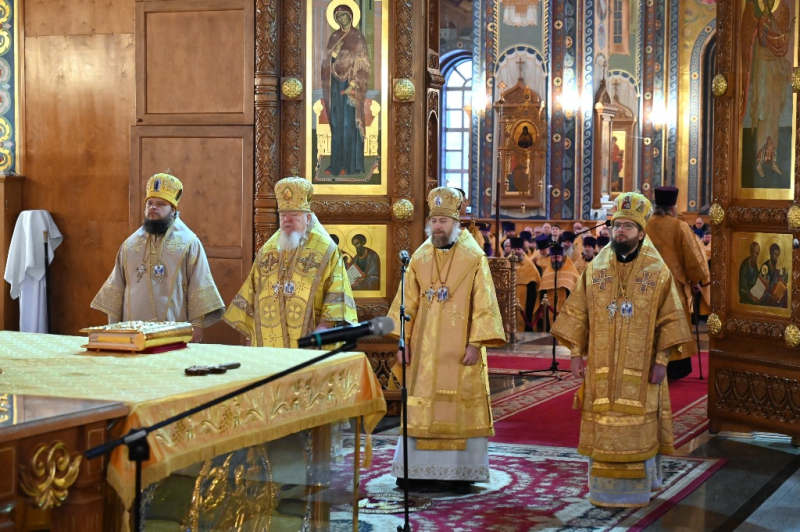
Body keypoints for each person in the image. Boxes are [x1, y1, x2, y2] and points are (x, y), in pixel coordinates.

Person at [552, 191, 692, 508]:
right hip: (602, 369)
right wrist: (576, 353)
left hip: (642, 370)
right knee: (603, 425)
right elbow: (580, 313)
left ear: (641, 233)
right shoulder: (596, 268)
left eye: (628, 227)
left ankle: (640, 489)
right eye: (617, 226)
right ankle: (602, 491)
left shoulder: (658, 272)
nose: (620, 232)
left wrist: (661, 361)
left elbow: (669, 320)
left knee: (641, 426)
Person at [389, 186, 506, 494]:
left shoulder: (473, 258)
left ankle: (457, 472)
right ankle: (415, 471)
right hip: (424, 351)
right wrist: (403, 342)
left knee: (456, 407)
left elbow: (485, 305)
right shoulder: (419, 257)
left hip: (460, 350)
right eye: (434, 220)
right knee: (421, 408)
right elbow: (407, 303)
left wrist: (475, 343)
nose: (437, 226)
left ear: (456, 223)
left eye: (443, 220)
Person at [223, 176, 358, 347]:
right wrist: (252, 337)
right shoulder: (267, 251)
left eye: (294, 215)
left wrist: (324, 329)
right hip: (268, 346)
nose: (287, 220)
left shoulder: (326, 251)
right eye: (283, 214)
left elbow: (337, 294)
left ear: (308, 219)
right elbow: (252, 293)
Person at [91, 173, 224, 342]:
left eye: (160, 204)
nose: (153, 207)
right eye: (149, 203)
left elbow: (198, 285)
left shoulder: (189, 243)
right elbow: (116, 288)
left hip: (174, 330)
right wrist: (113, 327)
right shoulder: (130, 245)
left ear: (173, 211)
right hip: (132, 333)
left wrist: (196, 326)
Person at [644, 186, 710, 380]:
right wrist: (697, 280)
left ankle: (650, 365)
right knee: (673, 324)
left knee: (652, 324)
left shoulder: (644, 225)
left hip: (647, 283)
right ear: (673, 207)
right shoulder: (678, 226)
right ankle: (674, 369)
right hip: (673, 285)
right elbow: (692, 257)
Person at [322, 5, 370, 176]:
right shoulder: (335, 36)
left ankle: (351, 165)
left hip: (351, 86)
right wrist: (333, 56)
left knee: (349, 123)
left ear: (350, 17)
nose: (342, 19)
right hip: (335, 85)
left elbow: (363, 64)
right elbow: (326, 60)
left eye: (344, 16)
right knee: (336, 123)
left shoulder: (358, 37)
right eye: (339, 17)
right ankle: (336, 165)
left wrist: (353, 85)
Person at [533, 243, 580, 331]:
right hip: (549, 309)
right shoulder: (547, 274)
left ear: (562, 258)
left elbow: (577, 292)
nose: (556, 260)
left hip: (567, 310)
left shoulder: (571, 273)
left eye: (558, 257)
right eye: (554, 258)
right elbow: (542, 292)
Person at [510, 237, 541, 332]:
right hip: (509, 299)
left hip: (527, 301)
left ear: (522, 250)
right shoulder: (506, 263)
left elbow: (535, 285)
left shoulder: (530, 265)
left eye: (518, 249)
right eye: (514, 249)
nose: (516, 251)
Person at [759, 243, 788, 307]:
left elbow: (776, 279)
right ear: (771, 253)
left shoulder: (774, 268)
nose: (776, 258)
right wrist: (771, 296)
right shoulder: (765, 267)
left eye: (778, 256)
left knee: (785, 292)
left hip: (773, 293)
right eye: (775, 255)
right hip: (767, 297)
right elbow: (761, 289)